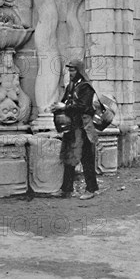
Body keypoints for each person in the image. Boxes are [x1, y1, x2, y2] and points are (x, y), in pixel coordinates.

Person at [51, 59, 99, 200]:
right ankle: (66, 190)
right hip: (72, 127)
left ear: (79, 71)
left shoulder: (86, 87)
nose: (70, 73)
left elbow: (84, 107)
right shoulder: (70, 86)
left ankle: (91, 189)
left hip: (84, 128)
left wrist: (64, 107)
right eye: (69, 70)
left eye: (73, 70)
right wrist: (57, 106)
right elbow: (66, 101)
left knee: (86, 159)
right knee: (69, 157)